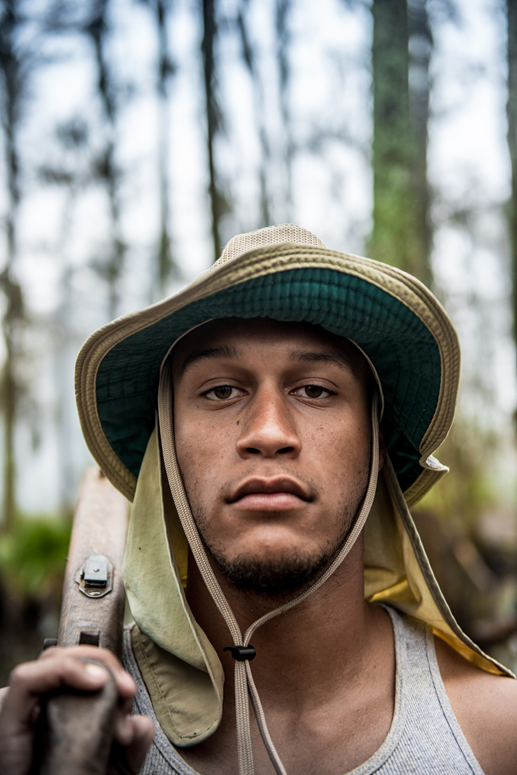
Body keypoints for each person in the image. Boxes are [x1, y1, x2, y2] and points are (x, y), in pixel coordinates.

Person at [1, 224, 517, 775]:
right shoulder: (36, 738)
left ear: (378, 448)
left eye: (315, 390)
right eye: (221, 390)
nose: (269, 432)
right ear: (165, 451)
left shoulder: (496, 734)